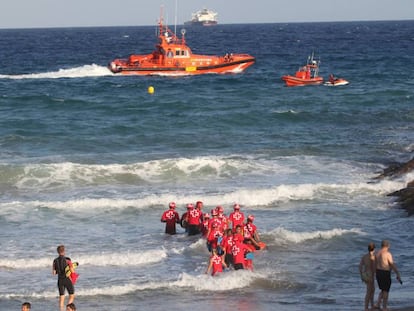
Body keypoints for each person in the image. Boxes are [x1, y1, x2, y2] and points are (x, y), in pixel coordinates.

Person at [375, 240, 402, 311]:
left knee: (383, 289)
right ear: (388, 246)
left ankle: (378, 304)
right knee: (386, 290)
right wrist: (397, 273)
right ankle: (384, 307)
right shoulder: (387, 254)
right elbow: (391, 264)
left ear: (381, 245)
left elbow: (375, 264)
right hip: (385, 273)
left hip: (378, 272)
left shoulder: (377, 253)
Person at [52, 245, 75, 309]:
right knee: (71, 295)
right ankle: (68, 308)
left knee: (61, 298)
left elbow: (54, 273)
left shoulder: (55, 260)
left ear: (57, 251)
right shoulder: (67, 259)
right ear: (64, 251)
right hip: (67, 279)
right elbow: (72, 271)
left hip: (60, 280)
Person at [359, 242, 376, 311]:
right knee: (369, 291)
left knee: (372, 290)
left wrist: (361, 275)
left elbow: (360, 266)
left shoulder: (364, 256)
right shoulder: (373, 256)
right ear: (374, 249)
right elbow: (373, 267)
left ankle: (371, 305)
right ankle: (366, 307)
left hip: (365, 274)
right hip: (370, 274)